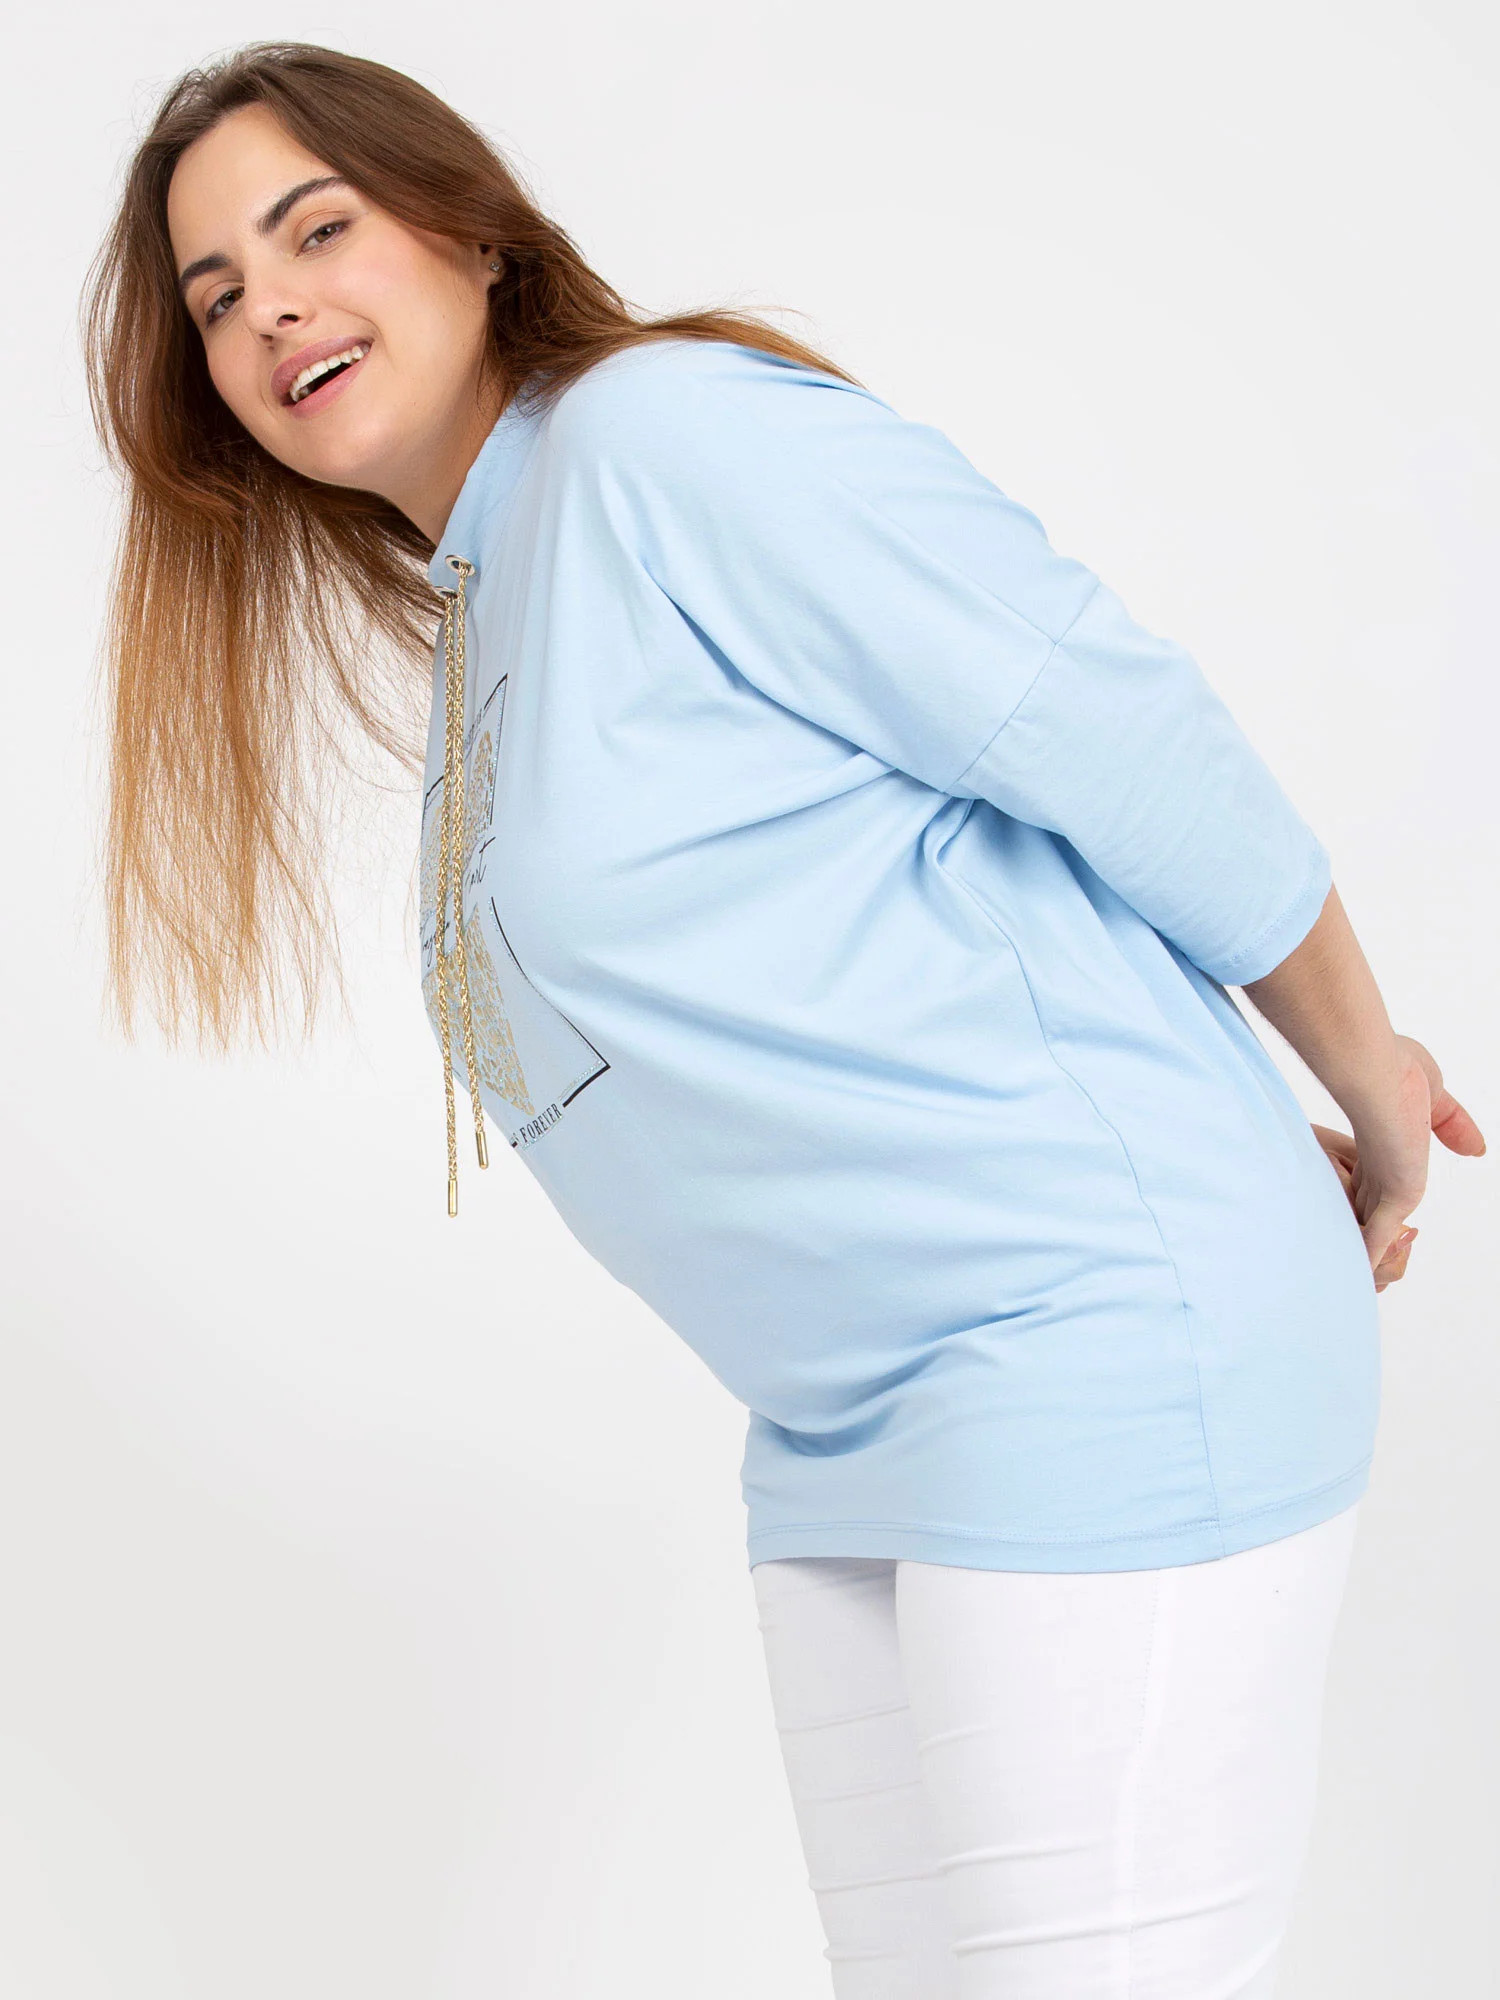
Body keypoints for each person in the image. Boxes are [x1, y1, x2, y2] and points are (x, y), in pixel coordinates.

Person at [84, 41, 1484, 1999]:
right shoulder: (500, 591)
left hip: (1079, 1342)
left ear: (474, 233)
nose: (270, 310)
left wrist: (1366, 1078)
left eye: (316, 230)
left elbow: (1101, 720)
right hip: (840, 1435)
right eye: (218, 294)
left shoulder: (664, 442)